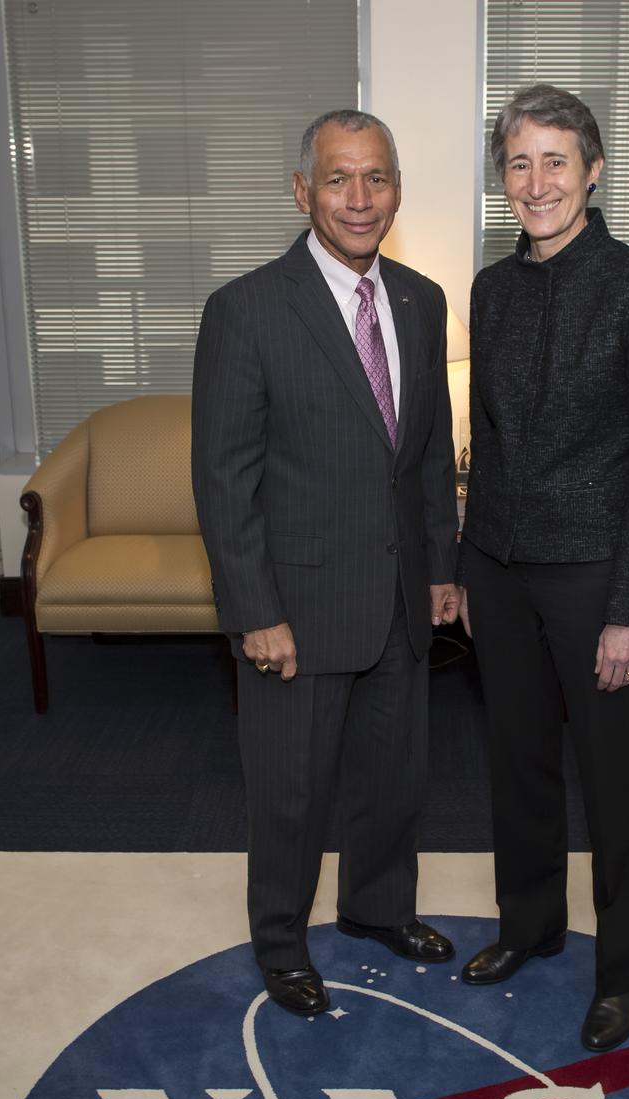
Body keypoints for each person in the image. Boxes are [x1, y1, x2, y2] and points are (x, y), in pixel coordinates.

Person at [192, 109, 460, 1017]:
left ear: (396, 190)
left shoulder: (423, 301)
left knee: (397, 776)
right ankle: (281, 941)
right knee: (291, 793)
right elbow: (224, 480)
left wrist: (441, 569)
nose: (359, 199)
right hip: (296, 607)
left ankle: (378, 910)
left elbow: (427, 451)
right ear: (301, 191)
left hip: (398, 596)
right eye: (339, 179)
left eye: (376, 178)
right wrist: (253, 610)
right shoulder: (246, 310)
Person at [457, 84, 629, 1052]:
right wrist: (468, 565)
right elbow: (488, 440)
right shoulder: (490, 287)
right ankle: (529, 922)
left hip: (595, 573)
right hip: (500, 570)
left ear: (593, 171)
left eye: (556, 159)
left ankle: (622, 965)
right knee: (516, 761)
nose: (536, 180)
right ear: (501, 178)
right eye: (519, 161)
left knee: (609, 775)